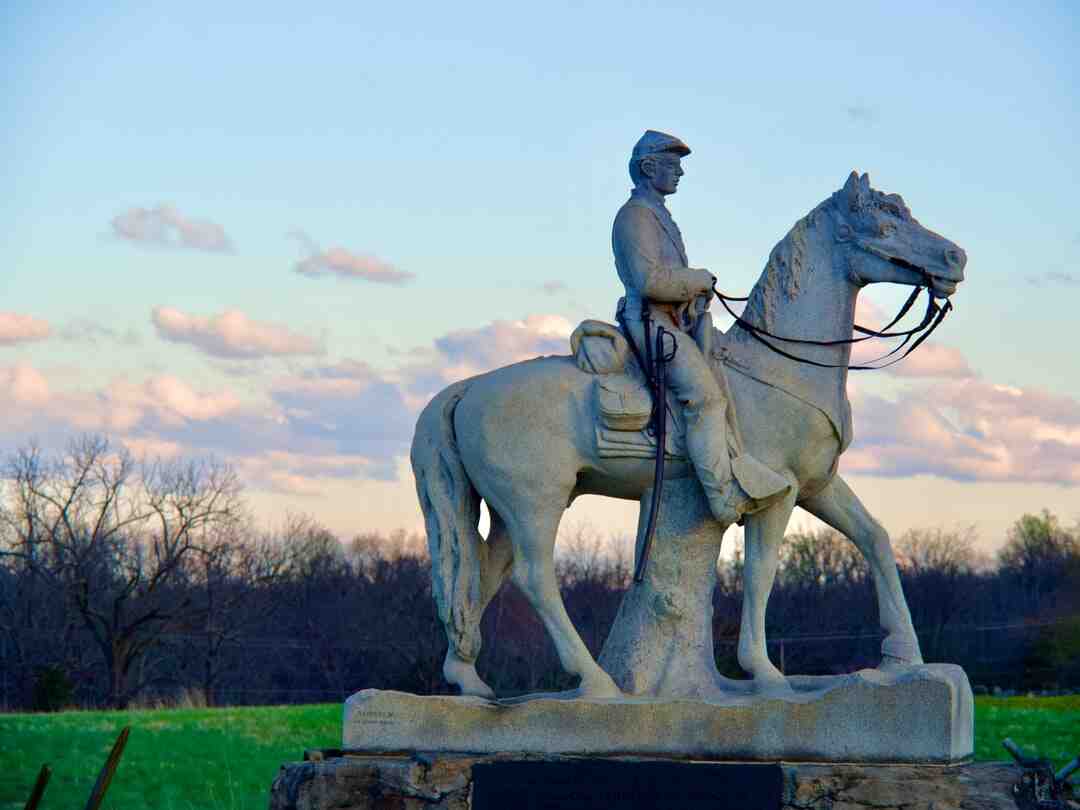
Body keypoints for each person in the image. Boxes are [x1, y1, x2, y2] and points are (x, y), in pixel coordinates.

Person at [612, 129, 790, 525]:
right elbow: (648, 280)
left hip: (672, 321)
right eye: (672, 165)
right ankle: (722, 496)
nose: (680, 173)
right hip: (650, 323)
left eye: (680, 165)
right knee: (705, 399)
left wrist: (693, 295)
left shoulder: (657, 214)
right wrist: (697, 280)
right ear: (648, 167)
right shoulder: (635, 216)